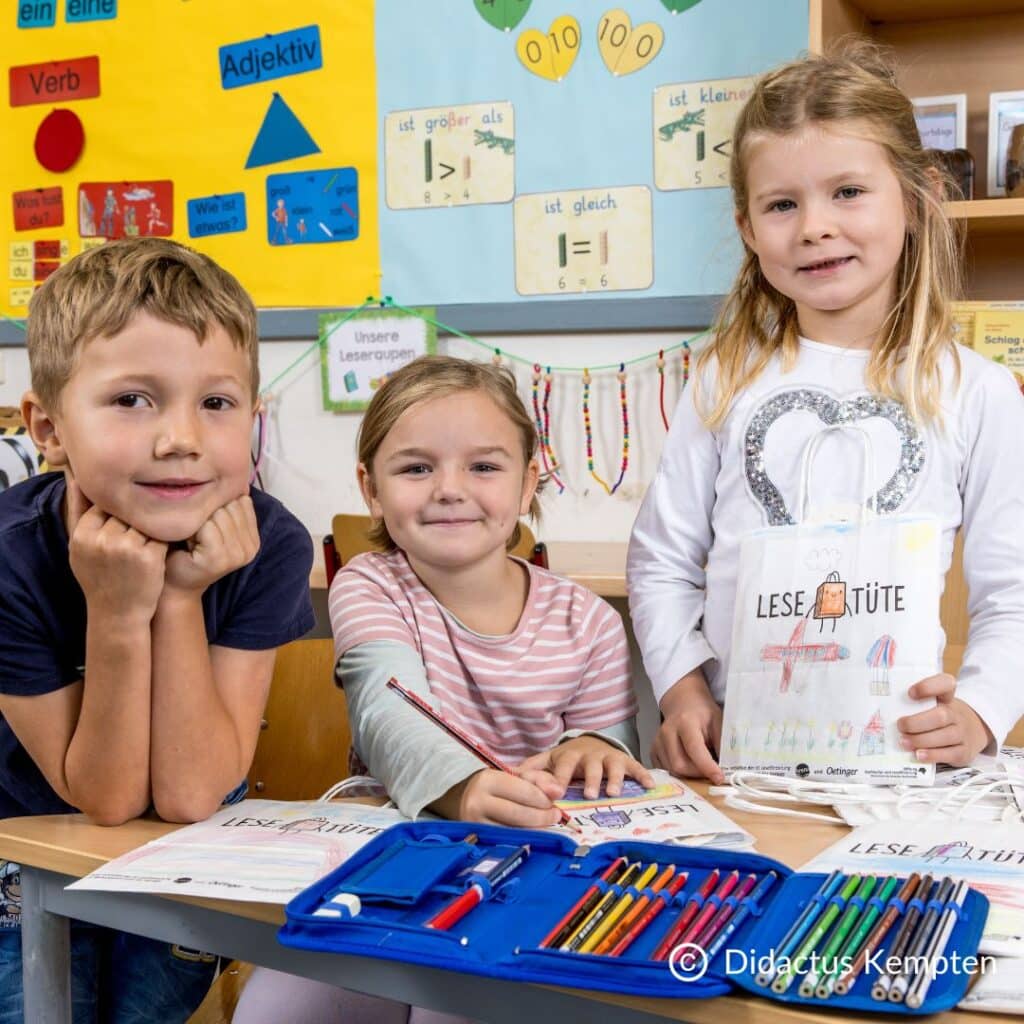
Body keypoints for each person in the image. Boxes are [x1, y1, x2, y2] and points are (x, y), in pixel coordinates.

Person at [627, 40, 1024, 786]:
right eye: (782, 204)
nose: (813, 226)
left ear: (917, 198)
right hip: (743, 764)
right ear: (749, 229)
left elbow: (1016, 590)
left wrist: (980, 710)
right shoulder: (723, 381)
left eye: (847, 192)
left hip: (898, 765)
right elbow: (662, 561)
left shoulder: (979, 391)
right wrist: (682, 693)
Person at [233, 354, 652, 1023]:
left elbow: (612, 756)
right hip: (393, 868)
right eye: (416, 468)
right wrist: (464, 790)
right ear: (371, 488)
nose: (450, 489)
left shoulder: (590, 621)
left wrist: (596, 747)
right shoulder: (369, 584)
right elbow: (385, 710)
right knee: (273, 1011)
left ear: (528, 483)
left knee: (453, 1009)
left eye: (483, 467)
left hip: (534, 881)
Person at [0, 237, 316, 1023]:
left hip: (185, 850)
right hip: (24, 858)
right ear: (48, 426)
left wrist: (179, 597)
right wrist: (114, 612)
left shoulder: (271, 545)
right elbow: (104, 799)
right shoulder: (8, 557)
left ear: (253, 419)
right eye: (133, 400)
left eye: (217, 403)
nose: (181, 438)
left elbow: (191, 794)